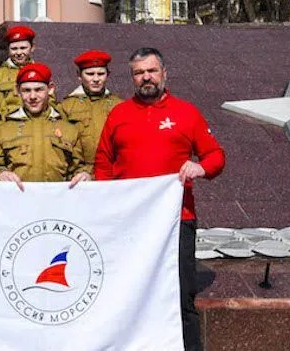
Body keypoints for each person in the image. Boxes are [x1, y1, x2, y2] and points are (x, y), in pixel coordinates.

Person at [94, 48, 225, 351]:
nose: (146, 78)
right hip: (128, 224)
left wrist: (200, 167)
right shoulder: (118, 114)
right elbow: (103, 164)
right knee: (126, 295)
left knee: (180, 296)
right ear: (132, 78)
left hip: (176, 222)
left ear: (165, 73)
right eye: (139, 73)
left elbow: (216, 155)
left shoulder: (186, 112)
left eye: (152, 71)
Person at [0, 63, 91, 189]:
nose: (32, 97)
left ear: (50, 89)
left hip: (56, 201)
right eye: (26, 90)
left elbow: (77, 167)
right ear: (18, 91)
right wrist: (0, 173)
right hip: (17, 202)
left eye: (39, 89)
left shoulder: (68, 129)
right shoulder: (3, 130)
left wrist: (83, 174)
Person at [57, 49, 122, 161]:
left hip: (113, 172)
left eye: (101, 74)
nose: (96, 79)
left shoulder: (119, 105)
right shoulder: (65, 107)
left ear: (108, 75)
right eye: (90, 74)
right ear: (79, 75)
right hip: (81, 174)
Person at [0, 24, 36, 107]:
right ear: (7, 50)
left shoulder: (40, 72)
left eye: (23, 48)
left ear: (32, 47)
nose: (19, 53)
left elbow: (50, 101)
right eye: (14, 49)